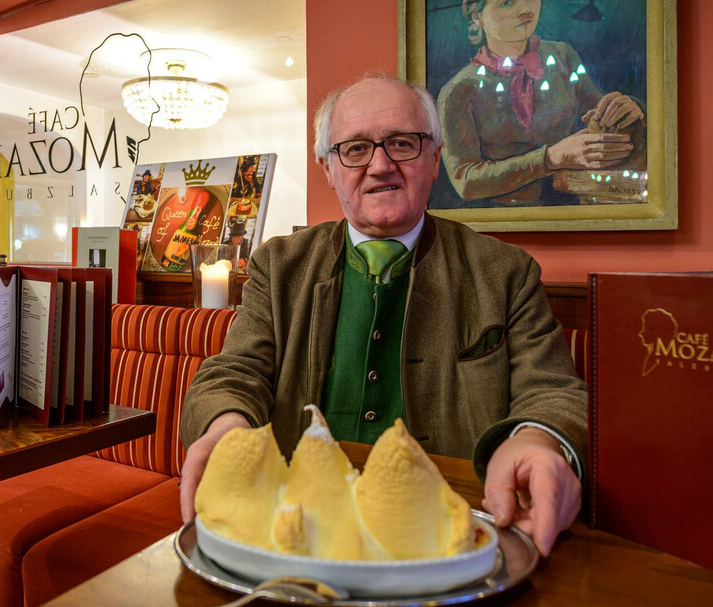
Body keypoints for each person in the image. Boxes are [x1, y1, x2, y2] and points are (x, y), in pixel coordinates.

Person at [179, 75, 586, 557]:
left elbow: (554, 391)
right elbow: (234, 371)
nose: (380, 165)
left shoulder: (506, 272)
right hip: (299, 530)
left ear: (434, 157)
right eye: (354, 148)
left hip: (450, 533)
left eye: (401, 143)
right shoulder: (277, 264)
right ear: (328, 167)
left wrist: (538, 439)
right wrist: (226, 428)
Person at [438, 0, 644, 206]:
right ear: (477, 16)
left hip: (574, 206)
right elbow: (465, 181)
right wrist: (550, 158)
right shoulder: (458, 91)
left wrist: (624, 111)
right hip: (503, 219)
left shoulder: (563, 57)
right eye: (507, 2)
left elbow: (597, 113)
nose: (526, 9)